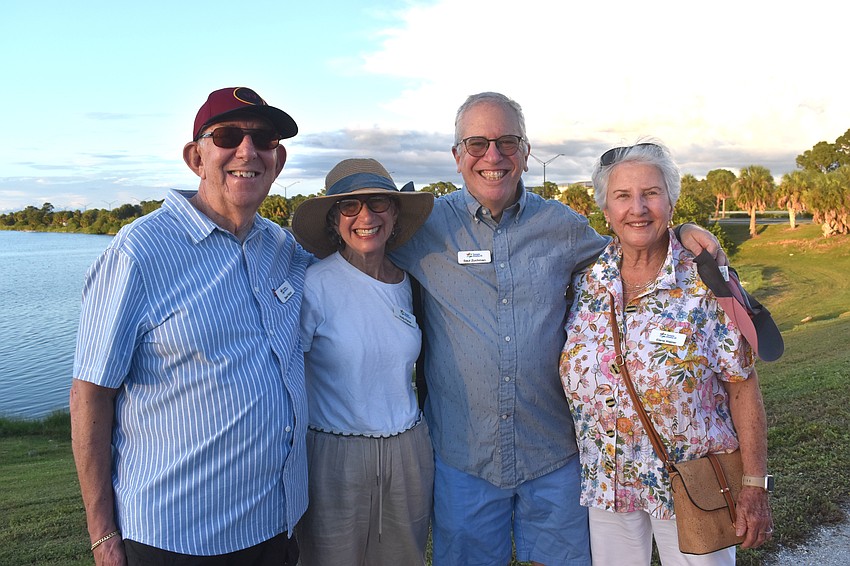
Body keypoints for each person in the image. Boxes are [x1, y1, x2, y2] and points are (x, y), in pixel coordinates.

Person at [389, 92, 725, 566]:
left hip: (553, 457)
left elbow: (632, 243)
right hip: (464, 458)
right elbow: (361, 251)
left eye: (507, 142)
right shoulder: (423, 228)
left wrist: (684, 229)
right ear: (457, 155)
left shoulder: (562, 226)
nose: (493, 156)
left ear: (526, 152)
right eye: (478, 143)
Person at [70, 87, 311, 566]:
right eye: (227, 136)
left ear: (277, 160)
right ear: (195, 156)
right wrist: (102, 537)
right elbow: (90, 393)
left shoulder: (284, 249)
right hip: (175, 537)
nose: (248, 151)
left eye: (263, 139)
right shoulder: (138, 252)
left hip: (275, 525)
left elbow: (355, 260)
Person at [559, 140, 773, 565]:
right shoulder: (586, 281)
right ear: (605, 210)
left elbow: (743, 388)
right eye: (622, 196)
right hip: (609, 482)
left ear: (671, 203)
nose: (637, 207)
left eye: (650, 193)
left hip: (693, 485)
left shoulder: (705, 283)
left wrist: (754, 485)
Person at [290, 158, 435, 565]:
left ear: (395, 215)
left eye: (377, 203)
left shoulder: (412, 285)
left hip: (409, 450)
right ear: (335, 219)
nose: (366, 216)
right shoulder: (315, 285)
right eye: (350, 207)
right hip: (334, 454)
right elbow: (286, 374)